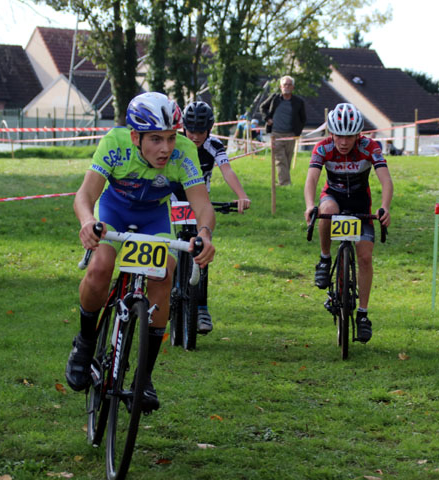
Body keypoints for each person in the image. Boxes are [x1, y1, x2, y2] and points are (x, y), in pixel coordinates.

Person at [65, 92, 216, 412]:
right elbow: (86, 194)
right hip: (114, 212)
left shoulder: (185, 152)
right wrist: (88, 221)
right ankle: (84, 343)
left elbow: (202, 205)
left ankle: (143, 378)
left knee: (164, 275)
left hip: (153, 217)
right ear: (135, 136)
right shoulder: (115, 143)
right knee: (101, 267)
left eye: (172, 137)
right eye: (156, 139)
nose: (166, 148)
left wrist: (204, 233)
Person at [304, 103, 393, 344]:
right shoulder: (323, 148)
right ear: (331, 133)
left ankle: (362, 314)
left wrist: (385, 207)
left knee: (364, 257)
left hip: (360, 205)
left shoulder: (369, 147)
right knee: (327, 210)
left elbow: (386, 180)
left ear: (358, 135)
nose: (343, 142)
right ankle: (325, 258)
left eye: (349, 136)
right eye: (339, 135)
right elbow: (312, 178)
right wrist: (309, 204)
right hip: (333, 198)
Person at [174, 100, 251, 334]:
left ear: (209, 129)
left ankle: (202, 307)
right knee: (169, 246)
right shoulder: (174, 143)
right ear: (183, 127)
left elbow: (227, 170)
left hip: (200, 202)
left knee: (203, 250)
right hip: (173, 200)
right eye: (191, 130)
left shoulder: (214, 145)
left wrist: (241, 195)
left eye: (201, 131)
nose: (196, 136)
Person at [260, 75, 307, 186]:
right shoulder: (275, 98)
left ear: (293, 87)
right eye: (285, 84)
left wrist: (297, 132)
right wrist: (267, 119)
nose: (287, 87)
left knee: (287, 160)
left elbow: (303, 118)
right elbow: (262, 107)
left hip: (290, 134)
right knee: (280, 159)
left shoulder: (298, 102)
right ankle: (285, 183)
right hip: (276, 134)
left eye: (289, 85)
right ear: (281, 87)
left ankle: (283, 180)